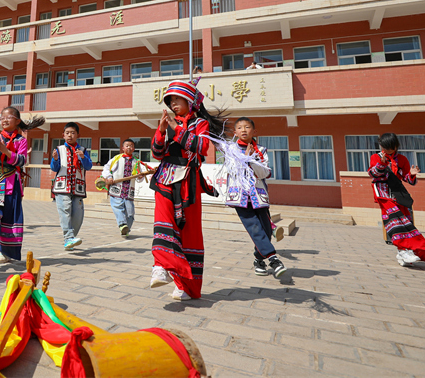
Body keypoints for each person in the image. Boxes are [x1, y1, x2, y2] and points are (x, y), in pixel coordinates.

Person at [149, 77, 224, 301]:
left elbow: (201, 146)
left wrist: (175, 129)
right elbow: (157, 153)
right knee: (162, 220)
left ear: (190, 101)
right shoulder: (168, 123)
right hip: (165, 177)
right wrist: (162, 132)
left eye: (177, 99)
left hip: (188, 182)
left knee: (188, 233)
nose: (173, 104)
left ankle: (186, 286)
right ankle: (161, 266)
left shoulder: (200, 124)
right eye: (170, 100)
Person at [0, 107, 44, 264]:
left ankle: (4, 252)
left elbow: (21, 161)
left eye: (8, 117)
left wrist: (6, 151)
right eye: (2, 118)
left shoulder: (21, 140)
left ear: (17, 121)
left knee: (7, 218)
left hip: (11, 184)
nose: (4, 120)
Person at [224, 117, 287, 278]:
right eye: (239, 127)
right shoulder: (230, 150)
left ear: (254, 131)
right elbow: (233, 170)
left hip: (259, 197)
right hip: (240, 197)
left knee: (266, 231)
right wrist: (245, 158)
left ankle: (259, 260)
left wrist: (252, 159)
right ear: (235, 132)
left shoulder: (262, 150)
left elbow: (265, 173)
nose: (243, 130)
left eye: (247, 127)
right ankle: (273, 259)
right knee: (254, 228)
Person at [369, 133, 425, 266]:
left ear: (396, 146)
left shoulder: (402, 159)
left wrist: (412, 175)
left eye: (391, 147)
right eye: (385, 147)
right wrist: (381, 164)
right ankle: (403, 250)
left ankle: (403, 251)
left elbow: (406, 179)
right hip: (383, 193)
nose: (388, 150)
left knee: (406, 220)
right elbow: (372, 174)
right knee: (395, 219)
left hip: (398, 193)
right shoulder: (376, 157)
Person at [50, 122, 92, 250]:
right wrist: (55, 159)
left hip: (77, 188)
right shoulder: (59, 149)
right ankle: (68, 238)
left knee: (78, 216)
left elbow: (88, 166)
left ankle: (71, 239)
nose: (70, 135)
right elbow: (54, 168)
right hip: (62, 187)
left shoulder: (83, 150)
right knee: (65, 212)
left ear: (78, 135)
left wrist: (83, 157)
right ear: (63, 135)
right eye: (67, 133)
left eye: (73, 133)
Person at [101, 139, 151, 237]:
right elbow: (106, 168)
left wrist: (140, 176)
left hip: (128, 192)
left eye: (131, 146)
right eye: (127, 146)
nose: (129, 147)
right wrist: (109, 177)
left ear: (134, 149)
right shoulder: (116, 158)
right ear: (123, 148)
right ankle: (122, 224)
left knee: (130, 214)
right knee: (118, 208)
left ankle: (126, 229)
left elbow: (138, 177)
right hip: (117, 190)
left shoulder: (136, 162)